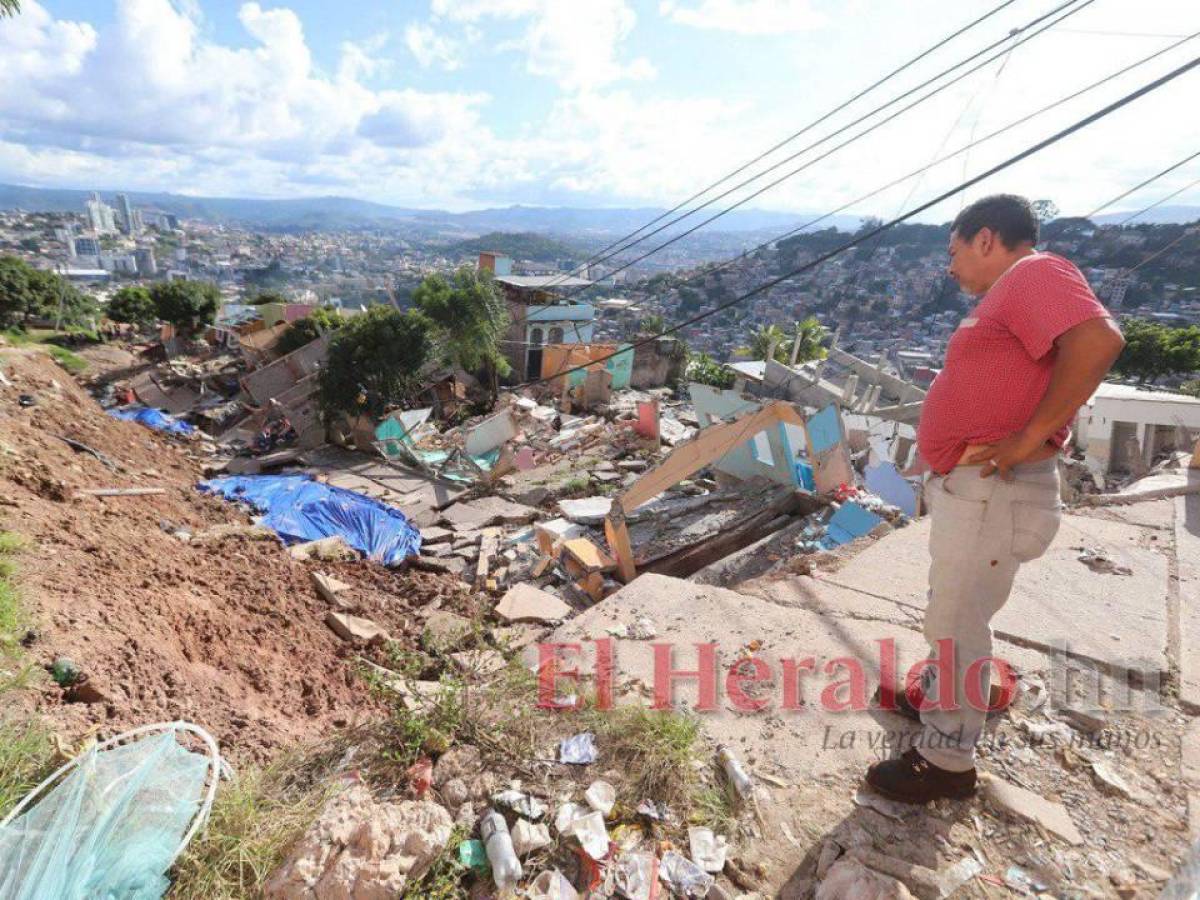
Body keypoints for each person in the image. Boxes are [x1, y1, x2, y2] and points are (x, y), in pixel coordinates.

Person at [865, 194, 1126, 803]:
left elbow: (1098, 340)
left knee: (958, 620)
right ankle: (940, 691)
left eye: (954, 251)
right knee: (951, 608)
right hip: (977, 493)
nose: (949, 266)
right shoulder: (1009, 296)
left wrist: (1028, 438)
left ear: (986, 239)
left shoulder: (1035, 271)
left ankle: (945, 761)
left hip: (996, 492)